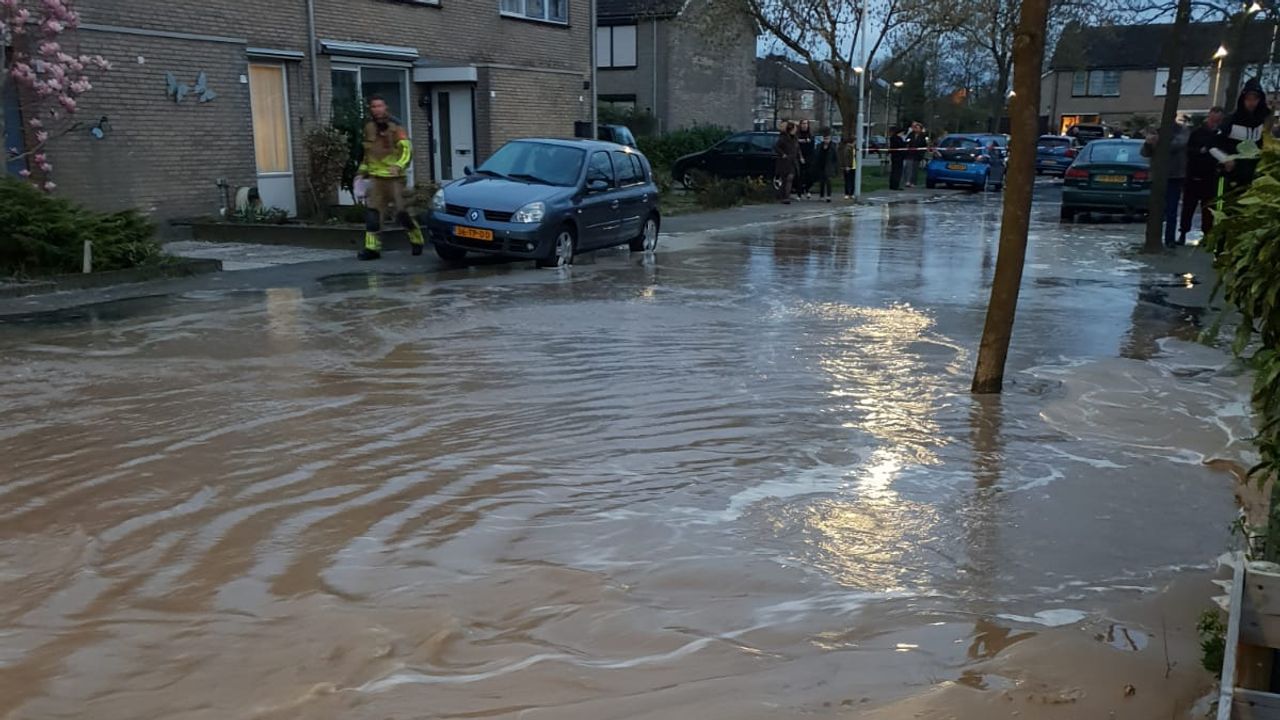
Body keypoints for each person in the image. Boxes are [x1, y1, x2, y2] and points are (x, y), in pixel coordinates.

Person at [356, 95, 425, 261]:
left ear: (386, 107)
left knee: (402, 212)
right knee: (373, 215)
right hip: (376, 178)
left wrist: (399, 166)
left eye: (380, 106)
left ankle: (416, 239)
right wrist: (361, 172)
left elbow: (407, 149)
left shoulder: (396, 127)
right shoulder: (369, 127)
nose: (377, 109)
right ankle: (372, 248)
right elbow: (368, 154)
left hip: (395, 179)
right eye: (374, 106)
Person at [1212, 78, 1270, 194]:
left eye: (1255, 99)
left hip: (1252, 177)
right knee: (1221, 203)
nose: (1251, 102)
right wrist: (1225, 159)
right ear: (1243, 99)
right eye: (1248, 99)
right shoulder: (1231, 120)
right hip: (1229, 176)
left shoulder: (1261, 122)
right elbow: (1212, 145)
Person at [1141, 118, 1190, 248]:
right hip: (1158, 175)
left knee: (1171, 210)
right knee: (1156, 208)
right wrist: (1148, 143)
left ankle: (1170, 239)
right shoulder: (1157, 130)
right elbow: (1145, 153)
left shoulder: (1182, 130)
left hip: (1175, 175)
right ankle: (1153, 238)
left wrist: (1157, 141)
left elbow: (1177, 145)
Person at [1182, 107, 1225, 244]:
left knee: (1208, 208)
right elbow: (1188, 150)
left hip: (1211, 176)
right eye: (1214, 118)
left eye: (1218, 119)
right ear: (1210, 116)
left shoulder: (1220, 133)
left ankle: (1206, 235)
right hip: (1195, 174)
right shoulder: (1197, 133)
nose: (1216, 121)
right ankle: (1183, 232)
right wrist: (1200, 151)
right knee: (1189, 206)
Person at [774, 122, 800, 204]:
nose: (796, 130)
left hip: (792, 161)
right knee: (785, 180)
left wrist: (800, 156)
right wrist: (783, 154)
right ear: (791, 130)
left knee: (790, 178)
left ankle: (786, 196)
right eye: (794, 129)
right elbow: (776, 147)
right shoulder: (783, 138)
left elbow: (797, 148)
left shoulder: (795, 138)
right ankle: (783, 196)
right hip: (784, 162)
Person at [813, 134, 836, 202]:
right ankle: (821, 196)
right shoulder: (819, 146)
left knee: (828, 181)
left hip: (828, 166)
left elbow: (835, 157)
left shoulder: (832, 146)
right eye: (825, 138)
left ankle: (828, 196)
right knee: (822, 181)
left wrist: (833, 165)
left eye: (827, 139)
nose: (826, 140)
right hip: (821, 165)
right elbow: (817, 154)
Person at [796, 120, 815, 199]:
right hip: (799, 156)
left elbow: (812, 145)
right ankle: (799, 193)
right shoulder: (797, 134)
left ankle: (807, 189)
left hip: (809, 157)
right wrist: (800, 157)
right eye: (803, 124)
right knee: (800, 175)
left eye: (806, 124)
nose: (804, 125)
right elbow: (797, 146)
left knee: (809, 174)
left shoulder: (810, 134)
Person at [904, 123, 927, 188]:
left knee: (915, 169)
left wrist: (922, 152)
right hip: (910, 153)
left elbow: (925, 144)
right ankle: (907, 181)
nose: (916, 129)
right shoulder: (911, 134)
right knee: (908, 167)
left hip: (917, 154)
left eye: (917, 128)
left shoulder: (923, 136)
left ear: (920, 129)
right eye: (915, 127)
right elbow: (907, 141)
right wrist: (907, 144)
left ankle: (913, 182)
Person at [888, 126, 906, 190]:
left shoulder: (893, 138)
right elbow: (901, 145)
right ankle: (895, 185)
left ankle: (893, 185)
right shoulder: (897, 138)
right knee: (897, 172)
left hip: (895, 156)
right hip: (898, 157)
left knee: (894, 171)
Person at [839, 135, 857, 199]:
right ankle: (846, 193)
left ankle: (851, 193)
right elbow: (846, 157)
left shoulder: (854, 148)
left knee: (853, 180)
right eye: (855, 141)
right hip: (848, 166)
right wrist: (846, 166)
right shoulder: (848, 148)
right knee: (847, 180)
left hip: (854, 166)